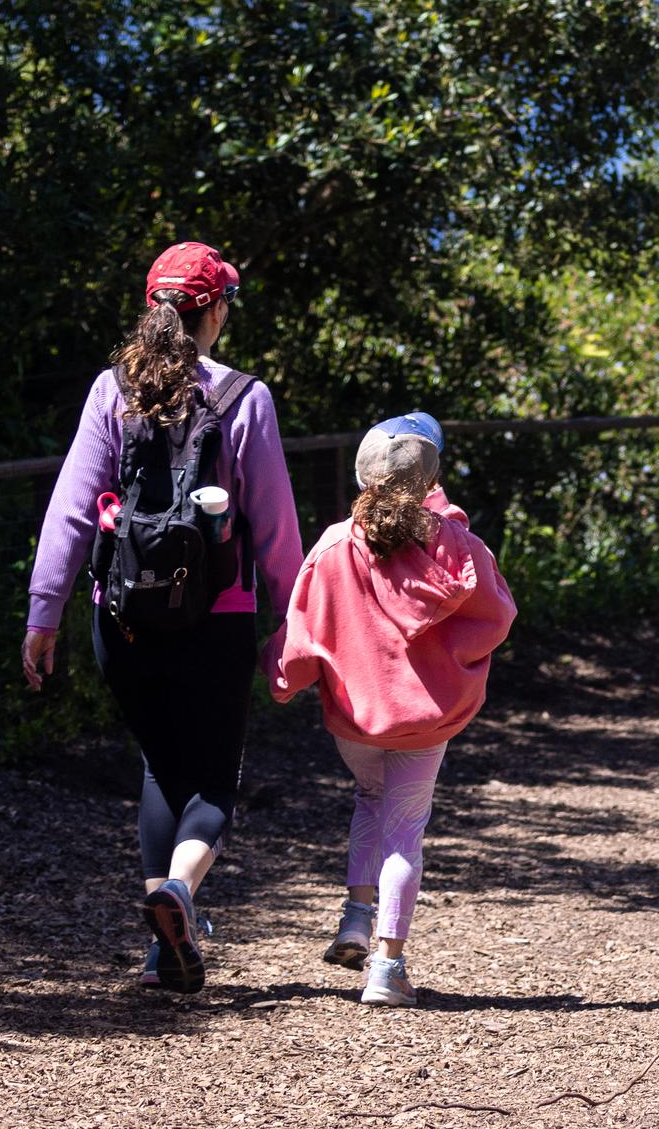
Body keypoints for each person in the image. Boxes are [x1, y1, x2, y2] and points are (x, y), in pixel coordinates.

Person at [24, 241, 303, 994]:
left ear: (153, 306)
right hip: (218, 616)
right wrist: (295, 620)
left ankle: (160, 950)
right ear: (213, 309)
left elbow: (71, 511)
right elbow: (275, 528)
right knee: (212, 777)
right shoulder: (244, 398)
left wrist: (42, 613)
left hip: (122, 620)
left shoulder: (109, 392)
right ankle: (179, 889)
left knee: (160, 763)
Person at [271, 412, 516, 1008]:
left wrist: (284, 679)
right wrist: (456, 657)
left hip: (356, 715)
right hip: (426, 715)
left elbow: (303, 631)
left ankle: (356, 916)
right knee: (405, 829)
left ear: (362, 475)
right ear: (430, 476)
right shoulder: (457, 545)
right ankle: (387, 968)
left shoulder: (332, 545)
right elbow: (499, 616)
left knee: (369, 800)